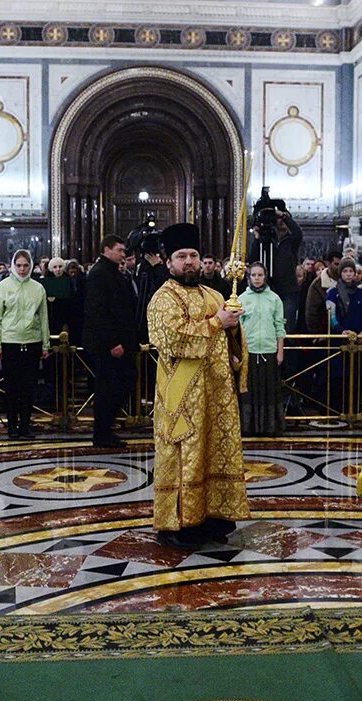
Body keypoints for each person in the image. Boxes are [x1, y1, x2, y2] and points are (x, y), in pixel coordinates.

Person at [147, 222, 249, 549]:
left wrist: (233, 326)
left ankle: (212, 517)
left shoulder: (214, 293)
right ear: (169, 262)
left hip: (216, 392)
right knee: (183, 455)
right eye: (182, 256)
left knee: (214, 452)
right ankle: (176, 525)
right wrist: (219, 321)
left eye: (193, 255)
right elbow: (173, 339)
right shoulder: (163, 298)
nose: (189, 261)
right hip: (182, 394)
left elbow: (231, 339)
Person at [83, 234, 136, 448]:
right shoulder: (99, 274)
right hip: (109, 346)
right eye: (120, 250)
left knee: (121, 385)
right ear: (107, 249)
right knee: (108, 389)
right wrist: (112, 342)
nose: (123, 255)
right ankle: (102, 432)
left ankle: (106, 429)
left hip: (120, 343)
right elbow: (99, 312)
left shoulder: (113, 272)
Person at [0, 249, 49, 439]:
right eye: (19, 265)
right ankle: (12, 427)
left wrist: (45, 344)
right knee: (12, 388)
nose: (22, 269)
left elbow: (43, 319)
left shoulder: (38, 288)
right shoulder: (3, 286)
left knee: (29, 388)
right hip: (10, 342)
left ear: (30, 265)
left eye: (25, 265)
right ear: (13, 266)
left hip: (32, 343)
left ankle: (25, 426)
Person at [237, 263, 286, 436]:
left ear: (265, 277)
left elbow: (279, 326)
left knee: (268, 390)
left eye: (260, 275)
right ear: (249, 277)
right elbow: (237, 329)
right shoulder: (241, 299)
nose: (257, 278)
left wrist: (280, 351)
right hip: (248, 351)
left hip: (269, 350)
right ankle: (248, 427)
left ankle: (269, 427)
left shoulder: (274, 299)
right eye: (254, 275)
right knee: (249, 390)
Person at [246, 207, 303, 333]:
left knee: (287, 327)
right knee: (268, 326)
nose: (281, 221)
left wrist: (282, 215)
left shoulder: (292, 241)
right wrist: (257, 238)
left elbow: (298, 232)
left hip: (288, 291)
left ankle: (286, 351)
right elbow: (253, 259)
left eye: (284, 219)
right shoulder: (266, 240)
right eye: (278, 219)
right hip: (269, 289)